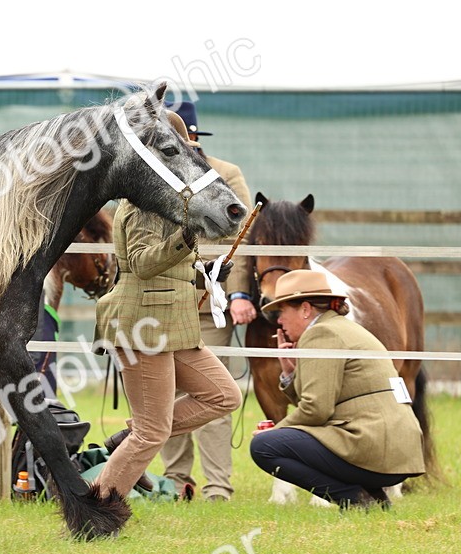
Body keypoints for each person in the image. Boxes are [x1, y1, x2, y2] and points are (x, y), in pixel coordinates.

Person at [92, 111, 243, 502]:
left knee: (224, 396)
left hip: (175, 323)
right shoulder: (147, 203)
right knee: (152, 432)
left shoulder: (175, 199)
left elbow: (170, 267)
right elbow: (141, 263)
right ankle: (98, 508)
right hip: (144, 321)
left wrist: (206, 272)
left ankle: (130, 434)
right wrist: (187, 237)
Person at [250, 270, 425, 508]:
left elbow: (316, 410)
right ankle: (375, 497)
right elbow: (322, 400)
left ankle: (354, 499)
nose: (278, 321)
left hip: (373, 446)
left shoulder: (320, 334)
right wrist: (290, 373)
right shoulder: (340, 328)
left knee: (264, 447)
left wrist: (274, 432)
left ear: (305, 309)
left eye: (282, 312)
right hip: (395, 450)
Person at [159, 101, 255, 502]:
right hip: (161, 303)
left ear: (193, 136)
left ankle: (218, 487)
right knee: (165, 395)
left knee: (214, 395)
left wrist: (237, 292)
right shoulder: (152, 176)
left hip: (206, 304)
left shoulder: (226, 173)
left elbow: (243, 233)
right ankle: (176, 480)